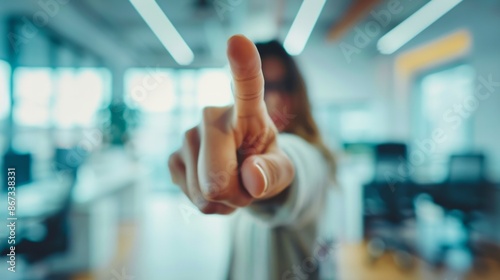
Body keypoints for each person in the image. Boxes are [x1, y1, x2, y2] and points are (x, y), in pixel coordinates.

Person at [168, 34, 335, 280]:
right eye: (266, 88)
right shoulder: (234, 159)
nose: (276, 99)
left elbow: (296, 167)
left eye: (284, 86)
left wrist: (273, 174)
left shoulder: (313, 155)